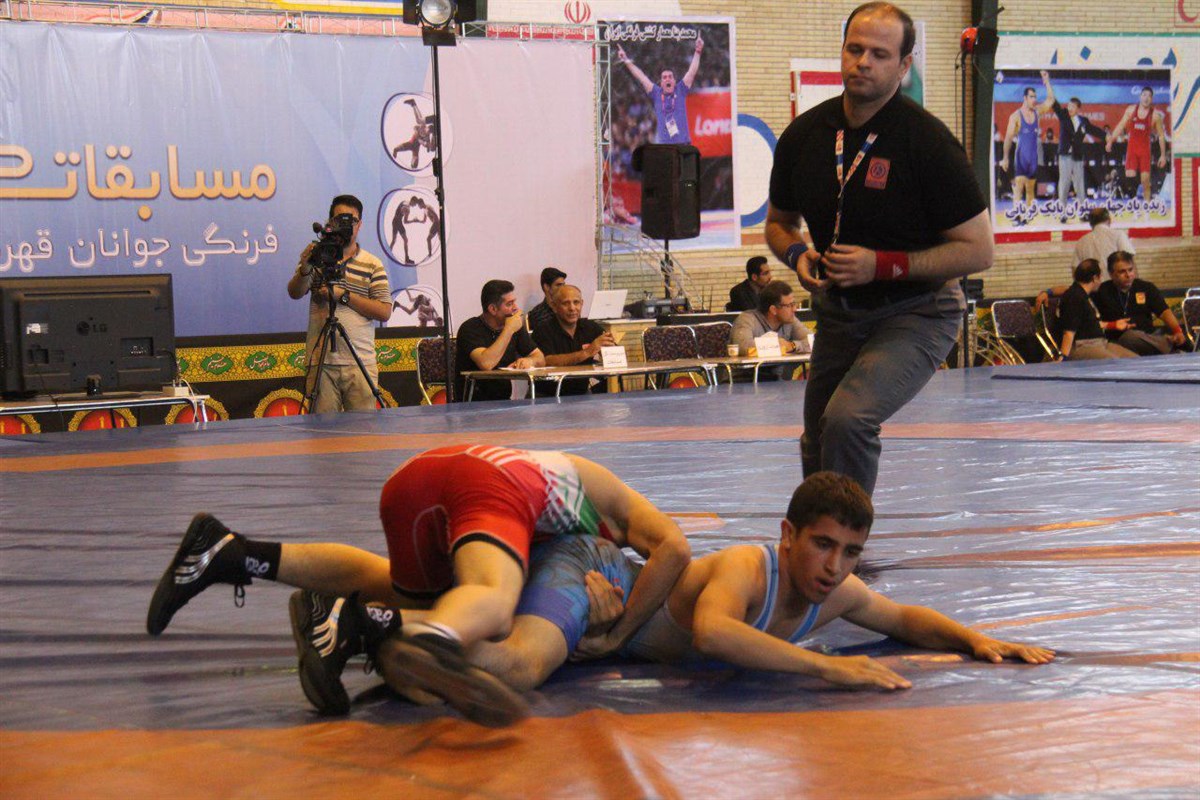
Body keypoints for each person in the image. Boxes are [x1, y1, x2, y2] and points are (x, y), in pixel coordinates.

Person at [145, 444, 692, 726]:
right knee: (493, 602)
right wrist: (617, 635)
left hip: (414, 478)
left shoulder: (566, 504)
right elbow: (674, 548)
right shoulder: (611, 504)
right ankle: (432, 638)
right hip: (492, 483)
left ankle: (236, 554)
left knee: (390, 587)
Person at [419, 472, 1054, 695]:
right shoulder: (748, 568)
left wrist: (974, 639)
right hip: (594, 569)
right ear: (788, 535)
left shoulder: (838, 590)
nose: (835, 567)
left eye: (851, 553)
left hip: (616, 614)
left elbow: (903, 618)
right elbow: (713, 633)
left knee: (479, 637)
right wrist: (827, 667)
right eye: (823, 545)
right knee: (520, 667)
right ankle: (402, 636)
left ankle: (393, 630)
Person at [764, 2, 993, 496]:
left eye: (879, 54)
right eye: (855, 49)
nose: (863, 62)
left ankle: (842, 540)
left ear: (904, 65)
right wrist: (798, 256)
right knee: (818, 439)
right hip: (841, 312)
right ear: (842, 52)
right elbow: (779, 224)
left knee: (848, 420)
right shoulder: (805, 136)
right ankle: (819, 537)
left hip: (918, 311)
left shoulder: (928, 143)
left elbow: (979, 250)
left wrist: (881, 265)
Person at [287, 194, 392, 413]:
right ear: (330, 222)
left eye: (351, 220)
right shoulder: (317, 257)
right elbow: (295, 293)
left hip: (359, 360)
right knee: (324, 431)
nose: (346, 226)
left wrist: (344, 295)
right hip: (321, 362)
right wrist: (305, 267)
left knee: (363, 430)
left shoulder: (372, 263)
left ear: (360, 224)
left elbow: (384, 311)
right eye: (339, 219)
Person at [454, 279, 546, 402]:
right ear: (493, 309)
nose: (516, 308)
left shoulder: (514, 327)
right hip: (472, 403)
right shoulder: (470, 328)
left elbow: (540, 358)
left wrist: (530, 361)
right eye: (509, 304)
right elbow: (486, 363)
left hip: (504, 401)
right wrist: (508, 330)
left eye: (514, 302)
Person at [615, 35, 703, 145]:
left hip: (683, 144)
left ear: (674, 81)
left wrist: (698, 51)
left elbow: (692, 71)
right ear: (661, 83)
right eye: (664, 77)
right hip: (665, 146)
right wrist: (626, 60)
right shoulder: (656, 93)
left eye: (670, 77)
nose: (668, 79)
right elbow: (641, 76)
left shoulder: (680, 89)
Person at [1092, 251, 1185, 356]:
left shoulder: (1146, 287)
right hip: (1116, 341)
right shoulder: (1101, 291)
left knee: (1135, 337)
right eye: (1122, 272)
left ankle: (1168, 346)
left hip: (1147, 336)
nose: (1128, 275)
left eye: (1130, 270)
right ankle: (1169, 347)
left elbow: (1164, 312)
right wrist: (1112, 325)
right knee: (1129, 337)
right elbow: (1091, 321)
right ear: (1111, 274)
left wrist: (1177, 330)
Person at [532, 284, 616, 396]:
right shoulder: (542, 330)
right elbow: (546, 361)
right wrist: (587, 352)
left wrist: (608, 352)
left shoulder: (590, 327)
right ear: (554, 306)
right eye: (565, 303)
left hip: (582, 394)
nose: (572, 308)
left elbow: (617, 356)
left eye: (576, 302)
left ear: (582, 304)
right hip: (547, 396)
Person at [1046, 78, 1107, 219]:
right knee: (1064, 183)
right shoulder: (1063, 116)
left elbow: (1095, 130)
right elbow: (1052, 100)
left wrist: (1107, 136)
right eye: (1068, 105)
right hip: (1065, 156)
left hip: (1078, 156)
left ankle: (1083, 212)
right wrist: (1047, 82)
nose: (1069, 107)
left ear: (1078, 108)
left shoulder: (1084, 121)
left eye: (1072, 106)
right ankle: (1062, 213)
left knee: (1080, 185)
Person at [1054, 259, 1137, 360]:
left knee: (1135, 360)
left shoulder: (1083, 295)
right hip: (1082, 345)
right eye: (1100, 277)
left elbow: (1090, 324)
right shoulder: (1074, 297)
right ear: (1095, 278)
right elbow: (1068, 332)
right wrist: (1063, 358)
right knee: (1116, 363)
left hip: (1100, 343)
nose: (1101, 281)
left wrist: (1114, 324)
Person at [730, 280, 811, 378]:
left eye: (794, 304)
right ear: (773, 309)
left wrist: (792, 346)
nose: (794, 309)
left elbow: (813, 341)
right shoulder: (747, 319)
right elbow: (743, 347)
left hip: (778, 382)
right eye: (789, 305)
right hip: (744, 381)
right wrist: (776, 344)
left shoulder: (790, 321)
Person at [999, 72, 1053, 214]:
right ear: (1025, 98)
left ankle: (1028, 217)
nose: (1034, 99)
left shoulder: (1037, 112)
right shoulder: (1016, 116)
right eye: (1031, 97)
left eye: (1035, 97)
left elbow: (1050, 100)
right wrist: (1005, 157)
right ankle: (1017, 214)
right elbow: (1008, 138)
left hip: (1033, 158)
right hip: (1021, 157)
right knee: (1019, 188)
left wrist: (1047, 81)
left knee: (1030, 189)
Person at [1108, 87, 1169, 202]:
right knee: (1130, 177)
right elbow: (1121, 125)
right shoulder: (1131, 110)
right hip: (1132, 150)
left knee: (1145, 181)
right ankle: (1133, 203)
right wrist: (1111, 140)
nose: (1146, 98)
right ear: (1140, 96)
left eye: (1149, 96)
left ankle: (1147, 206)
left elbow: (1161, 136)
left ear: (1152, 99)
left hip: (1145, 152)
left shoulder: (1155, 116)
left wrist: (1163, 155)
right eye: (1144, 95)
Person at [527, 267, 567, 332]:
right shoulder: (537, 314)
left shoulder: (569, 308)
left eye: (564, 285)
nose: (563, 288)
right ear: (547, 287)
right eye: (559, 285)